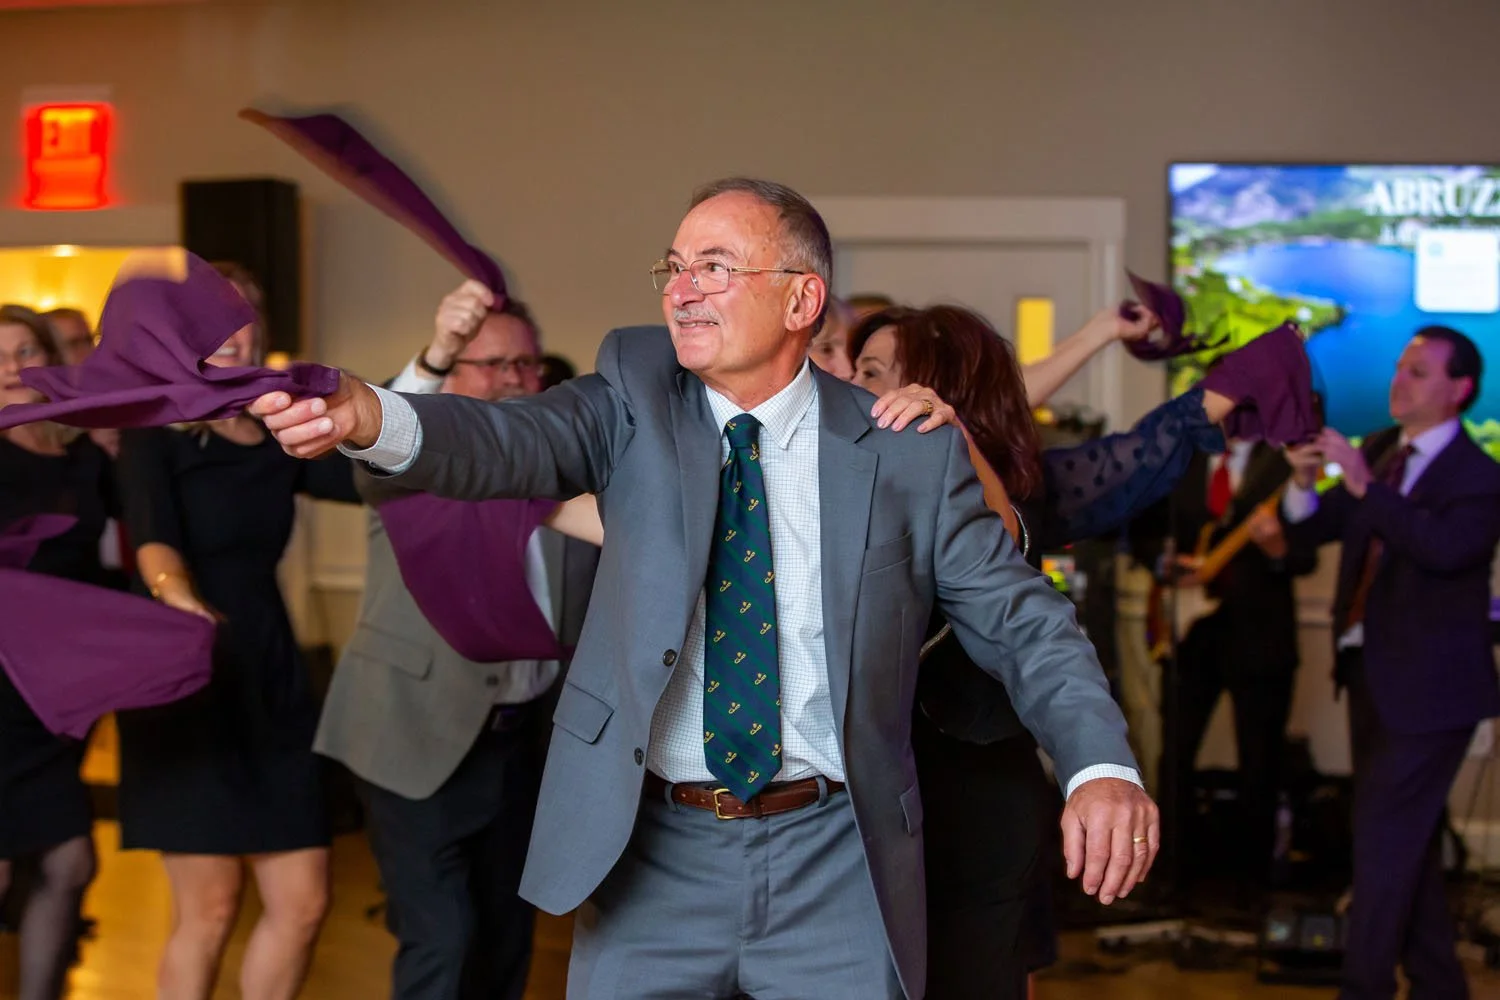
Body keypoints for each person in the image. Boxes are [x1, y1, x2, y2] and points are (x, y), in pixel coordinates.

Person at [253, 177, 1157, 1000]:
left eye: (715, 267)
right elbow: (502, 441)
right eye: (674, 267)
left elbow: (1025, 622)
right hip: (654, 859)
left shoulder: (903, 452)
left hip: (836, 860)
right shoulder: (629, 396)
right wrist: (367, 414)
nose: (681, 289)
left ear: (801, 299)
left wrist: (1102, 768)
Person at [848, 303, 1262, 999]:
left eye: (868, 372)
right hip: (884, 796)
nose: (847, 385)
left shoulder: (994, 483)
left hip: (971, 795)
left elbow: (1029, 611)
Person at [316, 291, 599, 1000]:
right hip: (411, 734)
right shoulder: (412, 464)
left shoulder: (567, 475)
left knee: (507, 936)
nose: (513, 379)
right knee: (441, 938)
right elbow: (375, 436)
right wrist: (436, 353)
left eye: (525, 364)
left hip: (522, 743)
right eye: (492, 364)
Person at [113, 263, 361, 1000]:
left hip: (270, 668)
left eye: (243, 316)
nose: (232, 331)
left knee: (305, 903)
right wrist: (176, 595)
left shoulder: (277, 429)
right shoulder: (154, 429)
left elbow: (367, 475)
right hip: (189, 673)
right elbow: (152, 537)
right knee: (211, 908)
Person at [1282, 326, 1500, 1000]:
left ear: (1460, 389)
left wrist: (1362, 484)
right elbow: (1311, 529)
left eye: (1418, 371)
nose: (1398, 380)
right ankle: (1439, 983)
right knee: (1406, 843)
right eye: (1400, 366)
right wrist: (1302, 482)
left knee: (1381, 840)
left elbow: (1442, 549)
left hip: (1434, 691)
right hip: (1368, 676)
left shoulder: (1480, 475)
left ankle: (1365, 987)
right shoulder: (1379, 450)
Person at [1132, 438, 1316, 899]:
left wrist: (1277, 548)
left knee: (1261, 762)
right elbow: (1140, 528)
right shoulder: (1180, 455)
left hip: (1260, 638)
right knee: (1175, 755)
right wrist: (1163, 563)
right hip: (1189, 633)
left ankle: (1252, 887)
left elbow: (1307, 554)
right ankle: (1170, 876)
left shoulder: (1283, 464)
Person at [0, 305, 108, 1000]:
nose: (11, 368)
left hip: (54, 695)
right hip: (0, 681)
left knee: (68, 863)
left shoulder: (84, 455)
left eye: (24, 351)